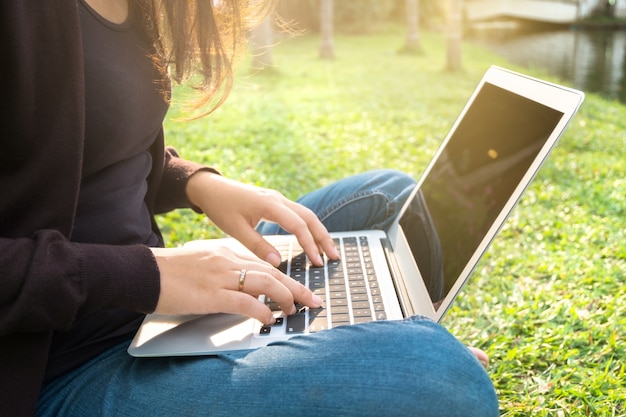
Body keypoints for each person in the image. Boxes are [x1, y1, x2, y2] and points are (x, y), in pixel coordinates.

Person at [0, 1, 499, 416]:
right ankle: (399, 352)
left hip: (158, 316)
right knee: (443, 377)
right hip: (62, 369)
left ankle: (386, 340)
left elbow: (92, 148)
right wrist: (146, 275)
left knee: (389, 197)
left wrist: (195, 183)